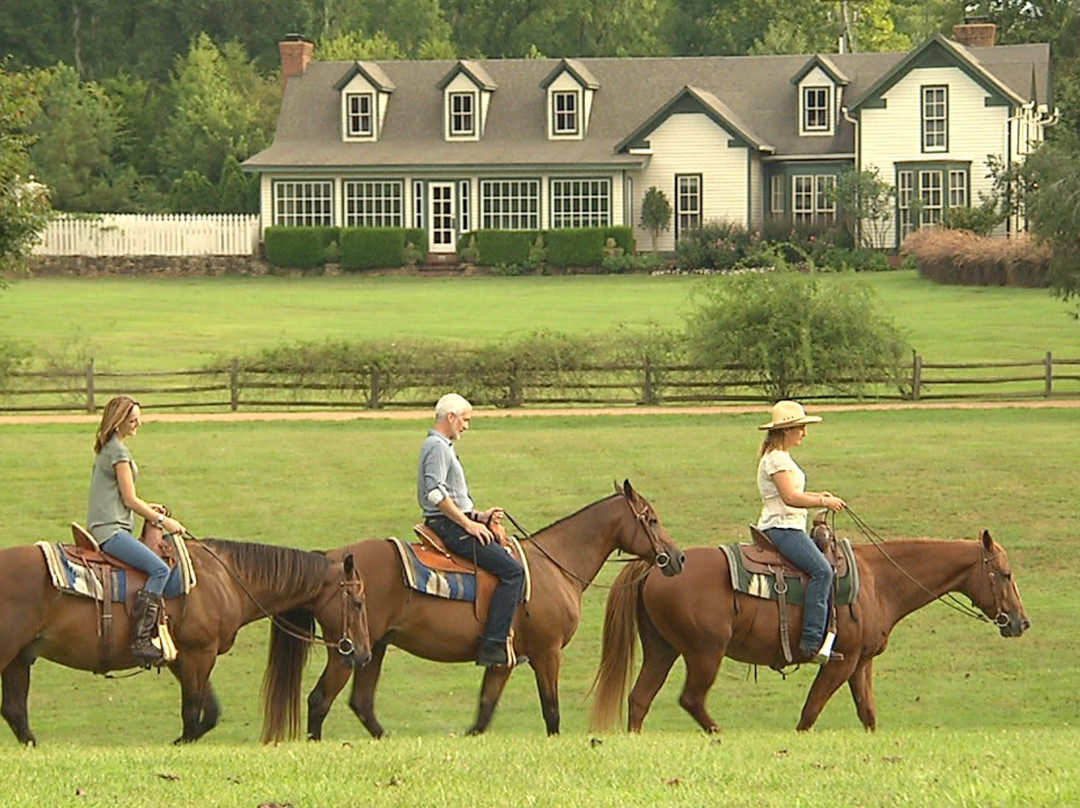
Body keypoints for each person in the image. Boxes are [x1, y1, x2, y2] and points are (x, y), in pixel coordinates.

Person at [417, 393, 525, 668]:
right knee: (513, 571)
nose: (467, 426)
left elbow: (450, 495)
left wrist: (479, 515)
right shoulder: (437, 447)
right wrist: (468, 524)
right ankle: (493, 644)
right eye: (465, 420)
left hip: (455, 521)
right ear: (450, 418)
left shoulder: (443, 446)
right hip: (449, 527)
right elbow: (433, 493)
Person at [87, 395, 186, 664]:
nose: (138, 424)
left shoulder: (109, 447)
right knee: (160, 569)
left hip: (106, 525)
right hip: (111, 532)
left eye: (138, 418)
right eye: (132, 419)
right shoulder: (118, 452)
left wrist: (149, 507)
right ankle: (141, 639)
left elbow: (123, 496)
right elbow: (130, 499)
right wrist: (165, 522)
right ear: (118, 422)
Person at [755, 400, 846, 664]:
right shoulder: (776, 460)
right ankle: (810, 640)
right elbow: (790, 497)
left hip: (789, 526)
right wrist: (823, 502)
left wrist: (819, 496)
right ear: (786, 430)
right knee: (822, 571)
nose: (804, 433)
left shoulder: (780, 457)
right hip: (782, 528)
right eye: (800, 428)